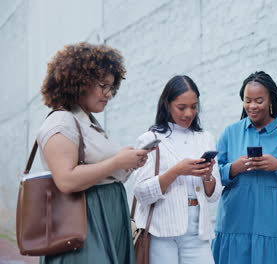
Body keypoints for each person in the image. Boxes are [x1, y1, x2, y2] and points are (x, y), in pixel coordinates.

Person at [37, 42, 150, 263]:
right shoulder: (62, 121)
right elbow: (66, 180)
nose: (108, 93)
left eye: (112, 87)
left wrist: (126, 161)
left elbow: (100, 168)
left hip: (104, 217)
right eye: (102, 85)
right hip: (84, 220)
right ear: (78, 82)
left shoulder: (86, 120)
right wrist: (116, 161)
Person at [211, 71, 277, 264]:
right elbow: (213, 178)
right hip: (236, 223)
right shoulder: (231, 133)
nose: (252, 106)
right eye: (248, 100)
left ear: (271, 100)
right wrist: (234, 168)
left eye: (259, 100)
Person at [133, 75, 221, 264]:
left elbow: (214, 196)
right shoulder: (151, 138)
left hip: (198, 232)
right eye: (181, 107)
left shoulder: (205, 138)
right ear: (167, 104)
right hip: (161, 233)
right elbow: (141, 193)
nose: (189, 113)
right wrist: (176, 171)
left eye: (194, 106)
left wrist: (207, 176)